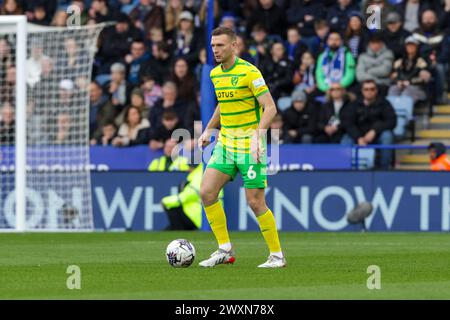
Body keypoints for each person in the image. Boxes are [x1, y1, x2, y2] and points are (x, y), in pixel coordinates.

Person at [197, 27, 285, 268]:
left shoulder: (249, 72)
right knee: (206, 192)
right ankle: (224, 249)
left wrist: (258, 137)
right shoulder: (215, 74)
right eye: (213, 45)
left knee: (255, 202)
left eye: (220, 45)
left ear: (234, 46)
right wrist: (209, 130)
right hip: (226, 143)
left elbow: (270, 108)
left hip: (250, 145)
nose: (215, 49)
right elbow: (223, 105)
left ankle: (277, 255)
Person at [341, 80, 397, 169]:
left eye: (372, 89)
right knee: (345, 140)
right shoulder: (353, 104)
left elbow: (392, 121)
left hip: (378, 135)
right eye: (366, 89)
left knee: (387, 136)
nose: (369, 91)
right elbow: (348, 123)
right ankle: (345, 169)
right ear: (362, 91)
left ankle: (384, 169)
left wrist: (374, 131)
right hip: (358, 135)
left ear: (376, 90)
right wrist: (358, 137)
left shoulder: (384, 103)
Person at [161, 164, 223, 230]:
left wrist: (165, 201)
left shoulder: (200, 174)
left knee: (171, 206)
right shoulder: (198, 173)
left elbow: (189, 195)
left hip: (199, 217)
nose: (187, 168)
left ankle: (180, 231)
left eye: (189, 165)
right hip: (200, 215)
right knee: (167, 230)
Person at [388, 36, 431, 104]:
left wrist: (410, 82)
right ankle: (390, 112)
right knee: (393, 89)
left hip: (418, 89)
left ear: (417, 47)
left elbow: (424, 79)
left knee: (408, 91)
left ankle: (404, 113)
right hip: (401, 86)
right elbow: (392, 77)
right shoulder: (399, 62)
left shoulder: (422, 61)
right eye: (408, 45)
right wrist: (398, 82)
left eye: (412, 45)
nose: (410, 47)